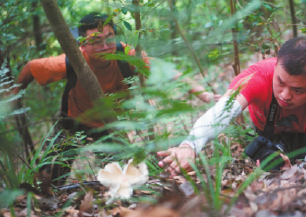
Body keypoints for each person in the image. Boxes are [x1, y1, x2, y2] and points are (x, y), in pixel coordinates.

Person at [13, 12, 220, 185]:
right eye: (96, 41)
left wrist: (205, 95)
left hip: (111, 124)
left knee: (124, 180)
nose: (105, 46)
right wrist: (13, 94)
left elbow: (167, 71)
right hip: (73, 120)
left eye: (109, 38)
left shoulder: (126, 54)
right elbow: (31, 67)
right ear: (82, 44)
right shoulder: (72, 61)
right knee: (50, 179)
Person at [157, 37, 306, 176]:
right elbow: (223, 112)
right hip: (265, 128)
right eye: (280, 82)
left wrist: (294, 175)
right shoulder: (258, 76)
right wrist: (189, 145)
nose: (285, 96)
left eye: (298, 90)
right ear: (275, 68)